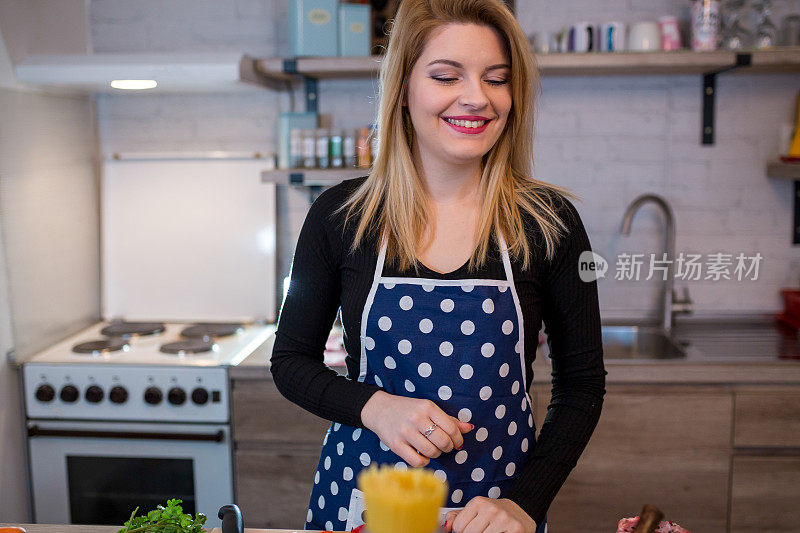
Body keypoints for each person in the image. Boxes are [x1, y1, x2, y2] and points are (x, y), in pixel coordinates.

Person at [270, 0, 606, 531]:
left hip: (497, 507)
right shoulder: (341, 216)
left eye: (496, 79)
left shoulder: (548, 222)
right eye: (447, 75)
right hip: (364, 499)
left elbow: (582, 385)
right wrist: (375, 407)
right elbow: (290, 362)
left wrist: (524, 503)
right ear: (403, 89)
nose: (477, 98)